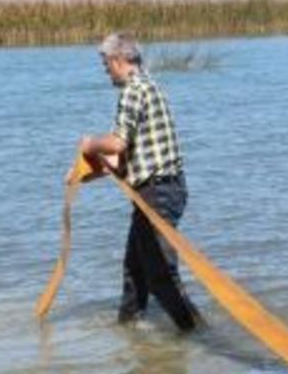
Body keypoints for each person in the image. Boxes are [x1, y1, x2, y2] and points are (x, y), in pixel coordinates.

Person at [74, 32, 203, 331]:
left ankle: (193, 331)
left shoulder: (133, 90)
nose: (107, 72)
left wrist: (89, 144)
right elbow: (128, 156)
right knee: (135, 269)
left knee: (160, 276)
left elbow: (117, 144)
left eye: (107, 65)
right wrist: (85, 173)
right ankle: (128, 331)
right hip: (163, 189)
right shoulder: (150, 84)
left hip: (157, 193)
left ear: (119, 60)